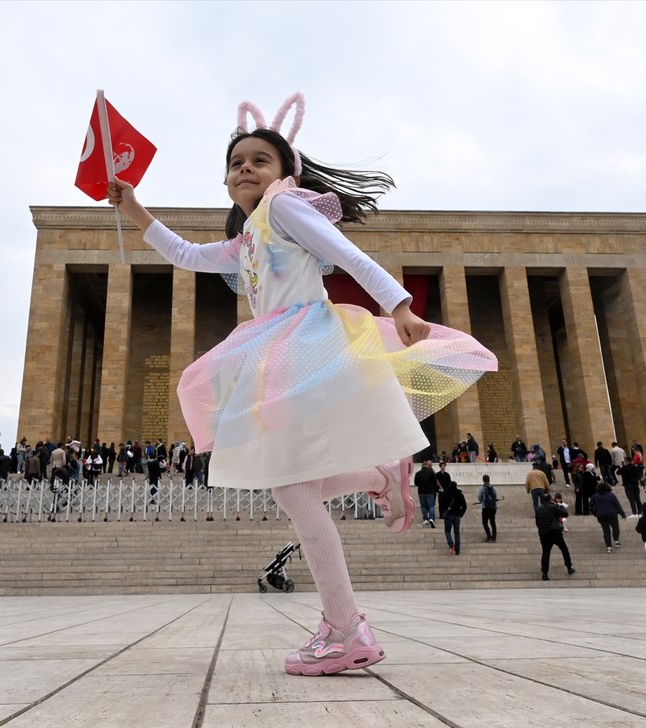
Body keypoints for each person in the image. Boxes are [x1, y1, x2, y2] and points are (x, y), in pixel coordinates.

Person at [107, 93, 497, 676]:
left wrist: (399, 305)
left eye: (259, 160)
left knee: (290, 487)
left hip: (307, 345)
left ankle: (346, 627)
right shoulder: (248, 240)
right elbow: (186, 253)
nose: (246, 169)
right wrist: (134, 207)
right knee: (297, 486)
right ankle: (377, 483)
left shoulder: (285, 209)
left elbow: (345, 252)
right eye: (237, 163)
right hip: (277, 352)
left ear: (285, 172)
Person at [535, 493, 575, 581]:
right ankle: (569, 567)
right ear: (550, 500)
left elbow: (537, 522)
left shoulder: (538, 509)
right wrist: (560, 505)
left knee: (546, 553)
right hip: (554, 531)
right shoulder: (553, 507)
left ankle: (544, 573)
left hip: (544, 534)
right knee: (564, 548)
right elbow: (565, 514)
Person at [590, 481, 626, 553]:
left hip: (601, 516)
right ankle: (616, 540)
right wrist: (622, 514)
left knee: (606, 531)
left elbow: (591, 506)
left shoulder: (595, 496)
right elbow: (617, 505)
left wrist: (596, 513)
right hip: (612, 514)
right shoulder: (611, 495)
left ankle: (608, 547)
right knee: (615, 527)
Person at [440, 480, 467, 556]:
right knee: (457, 533)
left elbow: (441, 504)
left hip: (448, 515)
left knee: (447, 531)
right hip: (457, 516)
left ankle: (451, 544)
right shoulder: (460, 495)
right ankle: (457, 550)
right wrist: (460, 514)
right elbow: (464, 506)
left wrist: (442, 514)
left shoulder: (445, 494)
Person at [414, 460, 439, 528]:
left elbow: (416, 483)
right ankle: (431, 518)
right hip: (430, 491)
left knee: (423, 506)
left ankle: (425, 518)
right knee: (431, 506)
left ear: (422, 466)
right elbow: (435, 482)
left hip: (421, 492)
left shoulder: (418, 473)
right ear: (426, 465)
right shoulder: (431, 472)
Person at [477, 474, 498, 542]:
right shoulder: (493, 488)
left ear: (483, 480)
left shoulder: (482, 488)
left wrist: (481, 501)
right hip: (493, 507)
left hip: (485, 507)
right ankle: (494, 537)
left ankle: (489, 536)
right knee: (492, 522)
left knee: (485, 523)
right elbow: (495, 496)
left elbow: (479, 497)